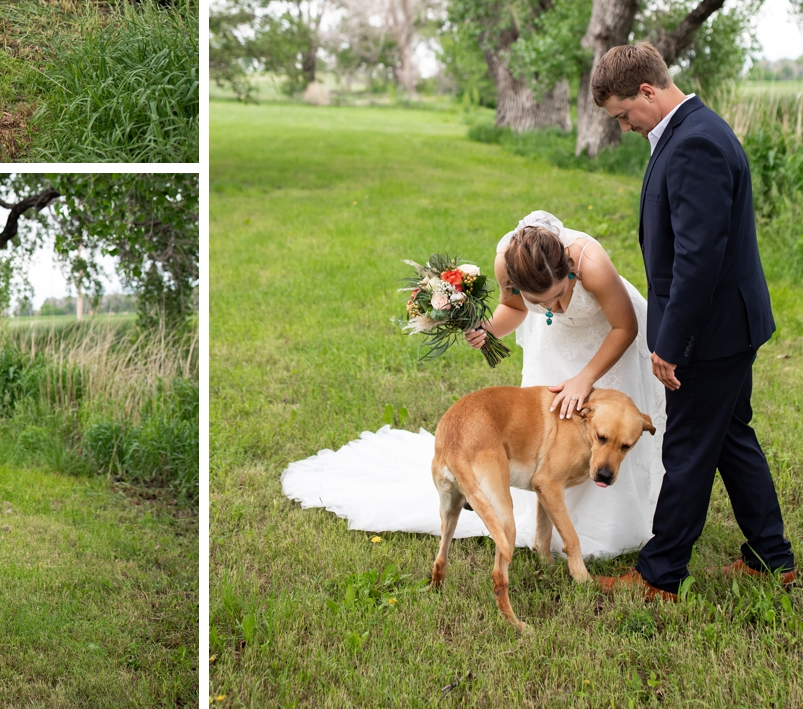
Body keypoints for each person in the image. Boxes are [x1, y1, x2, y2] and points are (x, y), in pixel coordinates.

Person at [281, 212, 665, 559]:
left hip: (607, 336)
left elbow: (625, 328)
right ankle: (553, 528)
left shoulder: (590, 264)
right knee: (550, 437)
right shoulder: (507, 263)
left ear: (569, 272)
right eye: (542, 302)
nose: (554, 308)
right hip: (557, 345)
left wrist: (585, 379)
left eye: (560, 295)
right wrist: (487, 330)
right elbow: (515, 309)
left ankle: (615, 528)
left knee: (607, 431)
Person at [591, 43, 794, 600]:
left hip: (711, 333)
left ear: (649, 92)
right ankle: (770, 557)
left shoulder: (696, 143)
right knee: (730, 438)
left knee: (685, 451)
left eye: (623, 114)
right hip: (729, 324)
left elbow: (698, 260)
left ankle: (660, 575)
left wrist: (671, 343)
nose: (625, 125)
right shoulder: (691, 130)